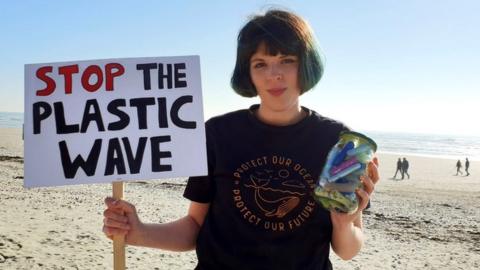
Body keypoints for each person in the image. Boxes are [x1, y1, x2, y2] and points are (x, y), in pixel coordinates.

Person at [102, 9, 380, 270]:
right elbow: (193, 227)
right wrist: (139, 232)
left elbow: (347, 249)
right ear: (248, 72)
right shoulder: (217, 134)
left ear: (306, 64)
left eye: (287, 60)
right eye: (261, 64)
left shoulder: (338, 141)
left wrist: (345, 224)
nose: (274, 74)